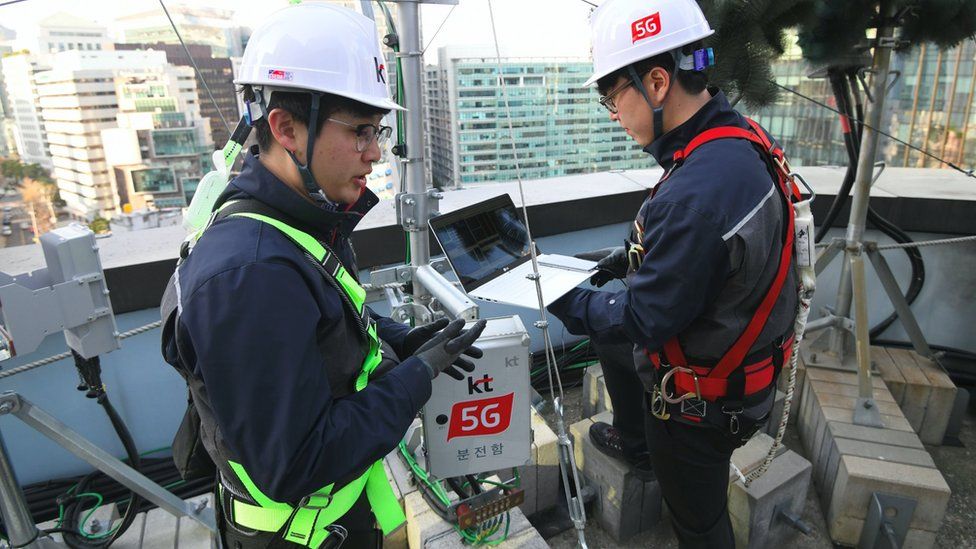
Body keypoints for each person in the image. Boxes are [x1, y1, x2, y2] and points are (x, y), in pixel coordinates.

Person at [160, 4, 485, 548]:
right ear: (285, 127)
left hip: (330, 517)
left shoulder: (295, 220)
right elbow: (299, 463)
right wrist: (415, 377)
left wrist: (402, 341)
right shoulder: (252, 274)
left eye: (377, 130)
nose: (376, 152)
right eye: (360, 131)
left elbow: (326, 318)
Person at [547, 0, 801, 546]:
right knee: (614, 350)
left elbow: (643, 319)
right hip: (744, 368)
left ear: (657, 82)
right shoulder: (735, 141)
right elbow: (706, 258)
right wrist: (620, 263)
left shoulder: (696, 194)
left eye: (613, 96)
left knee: (699, 520)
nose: (613, 113)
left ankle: (657, 455)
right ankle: (637, 444)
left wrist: (559, 296)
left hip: (700, 408)